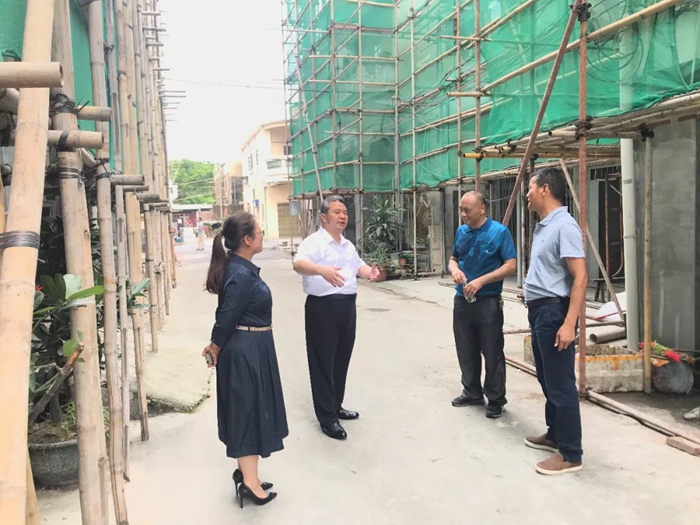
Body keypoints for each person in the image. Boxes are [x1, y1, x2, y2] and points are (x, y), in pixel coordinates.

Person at [202, 212, 288, 507]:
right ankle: (249, 482)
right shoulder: (239, 274)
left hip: (253, 346)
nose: (263, 235)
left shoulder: (242, 269)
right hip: (245, 351)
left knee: (251, 410)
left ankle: (248, 475)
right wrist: (215, 346)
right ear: (248, 240)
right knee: (248, 413)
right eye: (260, 232)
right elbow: (226, 316)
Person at [292, 196, 379, 440]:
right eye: (337, 212)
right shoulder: (314, 243)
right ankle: (327, 418)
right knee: (322, 361)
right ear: (323, 217)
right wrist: (321, 270)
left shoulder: (347, 245)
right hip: (322, 307)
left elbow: (358, 266)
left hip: (347, 306)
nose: (342, 216)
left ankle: (336, 405)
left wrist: (370, 272)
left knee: (341, 358)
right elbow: (298, 265)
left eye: (345, 213)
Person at [523, 167, 587, 475]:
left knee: (561, 384)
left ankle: (571, 454)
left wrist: (569, 323)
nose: (527, 194)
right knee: (547, 379)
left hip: (553, 312)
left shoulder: (565, 226)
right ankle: (555, 434)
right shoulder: (545, 226)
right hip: (539, 311)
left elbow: (581, 277)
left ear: (545, 189)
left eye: (530, 188)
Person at [449, 191, 517, 419]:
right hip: (462, 299)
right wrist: (455, 270)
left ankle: (496, 399)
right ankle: (472, 392)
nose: (463, 214)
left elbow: (510, 265)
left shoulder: (499, 232)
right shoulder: (462, 231)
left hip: (488, 301)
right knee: (465, 348)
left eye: (467, 210)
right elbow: (453, 258)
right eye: (461, 209)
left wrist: (481, 281)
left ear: (482, 209)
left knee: (492, 350)